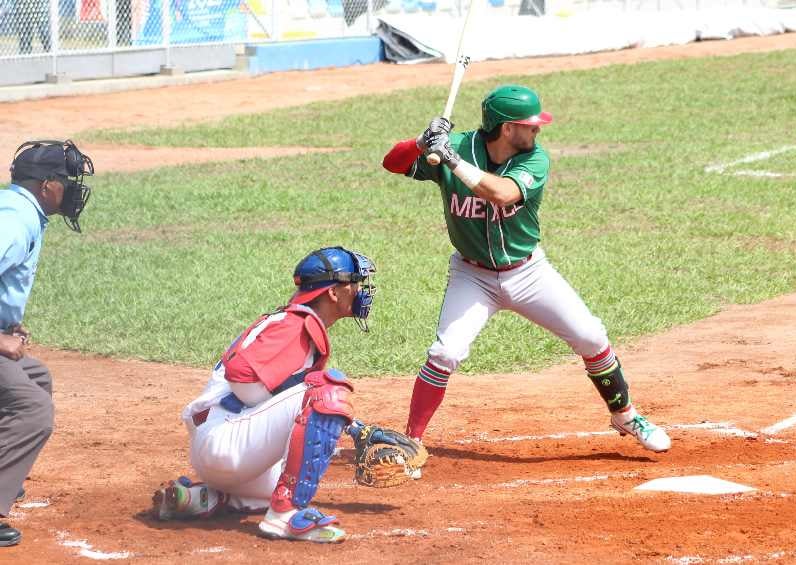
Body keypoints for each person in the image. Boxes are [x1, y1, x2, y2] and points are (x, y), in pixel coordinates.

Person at [381, 84, 671, 466]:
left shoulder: (533, 160)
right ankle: (411, 442)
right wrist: (420, 142)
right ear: (505, 128)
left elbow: (501, 193)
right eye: (530, 126)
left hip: (528, 272)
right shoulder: (458, 147)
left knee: (590, 335)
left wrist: (449, 159)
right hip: (473, 276)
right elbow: (393, 163)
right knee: (444, 353)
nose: (537, 132)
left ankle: (626, 416)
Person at [154, 246, 378, 543]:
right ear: (334, 293)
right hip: (225, 443)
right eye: (355, 282)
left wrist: (355, 427)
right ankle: (285, 514)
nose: (361, 290)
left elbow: (277, 394)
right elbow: (242, 378)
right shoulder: (296, 326)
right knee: (327, 389)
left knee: (287, 472)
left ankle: (208, 497)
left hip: (223, 448)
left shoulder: (291, 320)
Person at [0, 140, 94, 547]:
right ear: (46, 185)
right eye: (67, 181)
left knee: (35, 377)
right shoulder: (15, 222)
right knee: (33, 409)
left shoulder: (20, 211)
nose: (72, 189)